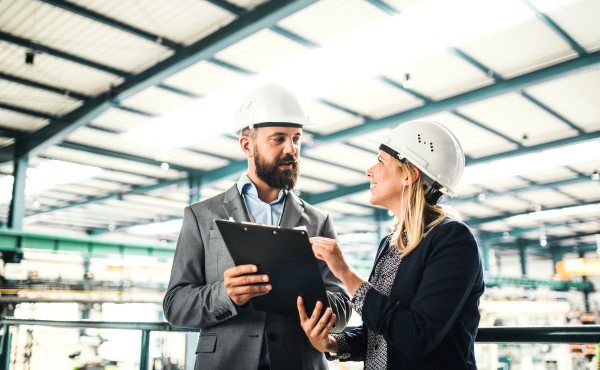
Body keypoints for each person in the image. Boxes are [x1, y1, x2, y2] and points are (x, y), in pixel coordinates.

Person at [163, 83, 351, 370]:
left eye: (296, 138)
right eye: (278, 139)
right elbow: (175, 306)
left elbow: (342, 308)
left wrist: (320, 313)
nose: (292, 149)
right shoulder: (201, 216)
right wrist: (225, 295)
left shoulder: (318, 221)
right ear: (247, 145)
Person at [297, 120, 485, 369]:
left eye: (381, 161)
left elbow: (416, 337)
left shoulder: (453, 240)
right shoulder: (391, 243)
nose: (370, 171)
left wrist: (344, 272)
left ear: (409, 175)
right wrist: (331, 343)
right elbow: (379, 336)